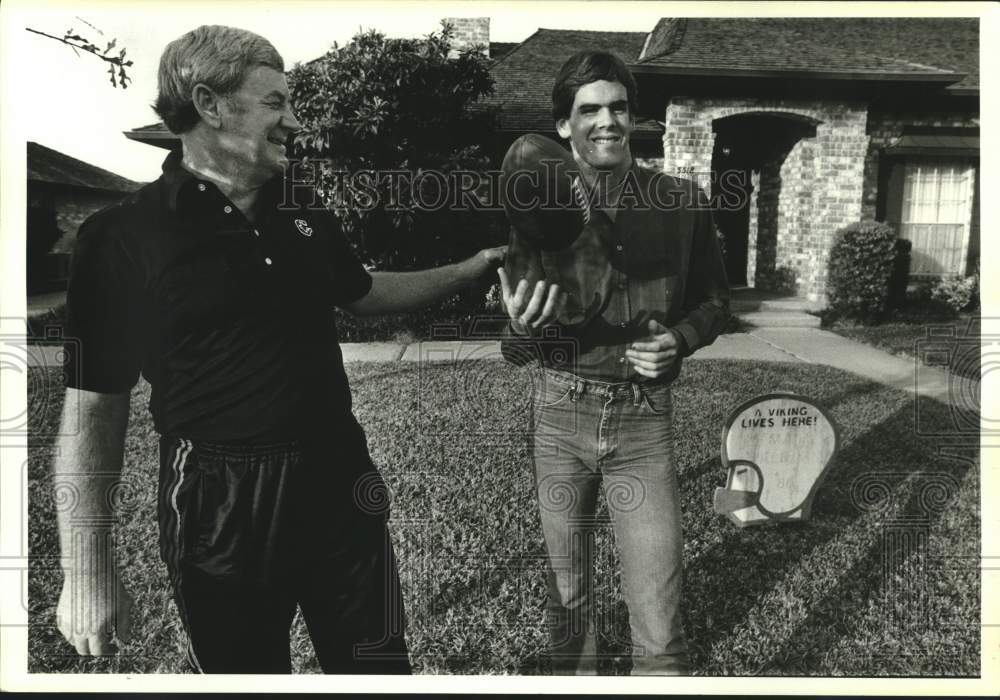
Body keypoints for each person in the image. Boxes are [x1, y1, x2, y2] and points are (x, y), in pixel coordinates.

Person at [53, 24, 504, 674]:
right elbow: (93, 407)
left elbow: (362, 291)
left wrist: (471, 269)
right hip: (220, 505)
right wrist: (86, 566)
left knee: (378, 669)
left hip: (339, 480)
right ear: (211, 105)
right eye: (275, 102)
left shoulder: (301, 209)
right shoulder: (122, 237)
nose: (295, 121)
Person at [497, 50, 730, 675]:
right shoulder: (539, 209)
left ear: (634, 116)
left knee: (658, 611)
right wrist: (520, 326)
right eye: (589, 109)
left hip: (642, 420)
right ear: (563, 127)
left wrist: (678, 339)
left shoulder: (682, 202)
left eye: (618, 107)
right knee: (568, 601)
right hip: (559, 411)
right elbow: (515, 347)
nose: (607, 121)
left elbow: (715, 301)